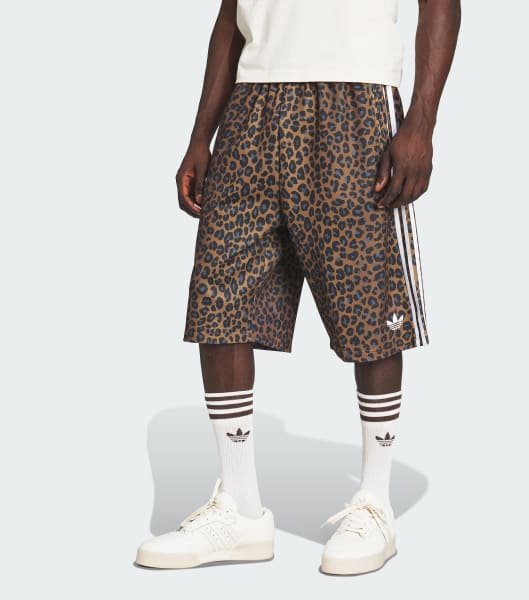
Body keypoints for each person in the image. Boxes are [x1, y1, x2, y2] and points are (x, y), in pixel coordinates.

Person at [136, 0, 460, 575]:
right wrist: (200, 135)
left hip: (355, 99)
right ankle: (239, 508)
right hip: (251, 104)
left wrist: (422, 122)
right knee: (220, 296)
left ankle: (375, 503)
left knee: (369, 303)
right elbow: (231, 17)